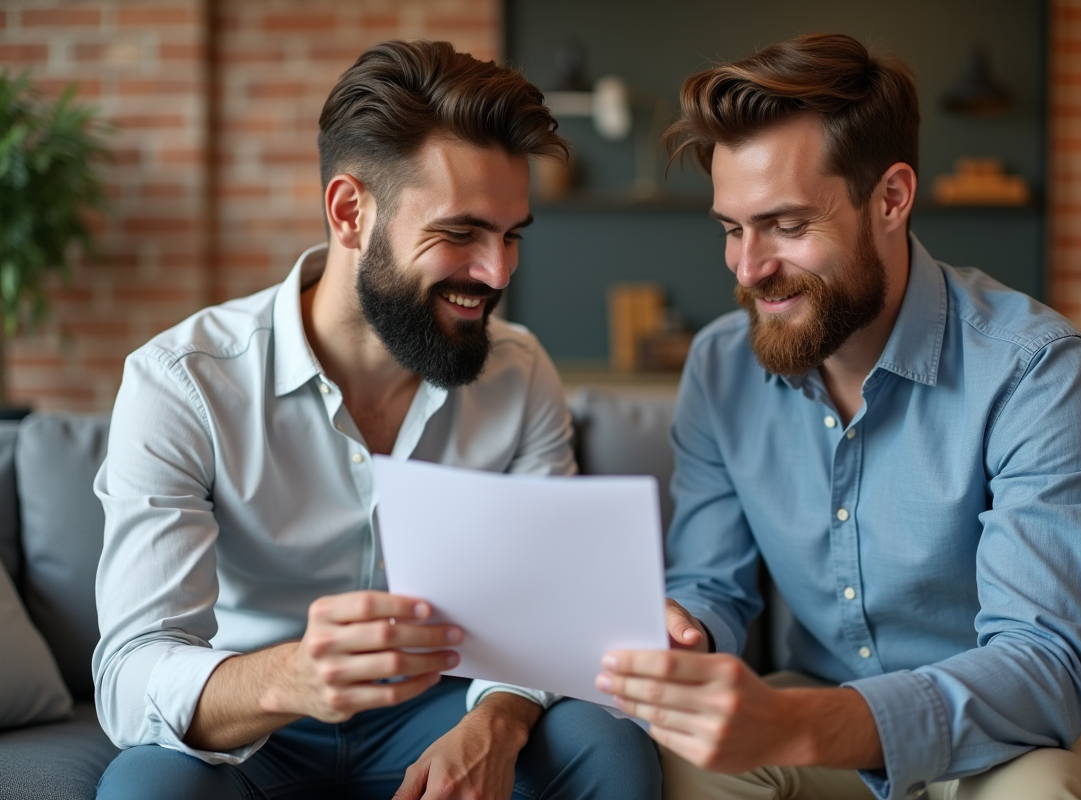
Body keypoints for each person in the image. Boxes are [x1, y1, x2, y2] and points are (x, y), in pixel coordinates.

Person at [92, 39, 660, 800]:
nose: (498, 273)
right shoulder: (181, 384)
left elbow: (547, 622)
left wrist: (496, 723)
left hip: (442, 708)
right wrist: (290, 678)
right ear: (350, 211)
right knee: (147, 791)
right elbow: (131, 671)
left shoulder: (520, 374)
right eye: (461, 233)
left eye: (512, 235)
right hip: (255, 721)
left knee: (607, 751)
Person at [596, 33, 1081, 800]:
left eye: (786, 225)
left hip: (1017, 737)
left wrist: (806, 724)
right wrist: (680, 627)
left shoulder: (1036, 369)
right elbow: (712, 583)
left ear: (890, 199)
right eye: (731, 228)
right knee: (663, 769)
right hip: (815, 707)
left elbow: (1043, 667)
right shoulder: (721, 366)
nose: (747, 268)